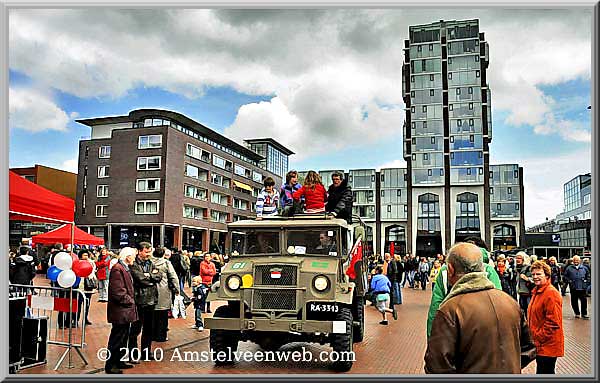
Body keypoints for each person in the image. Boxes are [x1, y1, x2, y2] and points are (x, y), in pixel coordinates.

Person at [424, 243, 534, 374]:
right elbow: (529, 347)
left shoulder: (450, 309)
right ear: (482, 267)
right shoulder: (510, 303)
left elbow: (437, 366)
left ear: (450, 269)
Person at [426, 240, 501, 338]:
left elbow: (436, 307)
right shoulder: (489, 272)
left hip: (455, 332)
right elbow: (498, 301)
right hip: (487, 335)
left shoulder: (444, 272)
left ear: (451, 268)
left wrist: (432, 338)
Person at [105, 247, 138, 374]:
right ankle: (111, 364)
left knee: (123, 337)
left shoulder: (123, 268)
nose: (134, 258)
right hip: (121, 310)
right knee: (117, 338)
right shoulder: (118, 269)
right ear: (127, 256)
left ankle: (118, 361)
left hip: (125, 310)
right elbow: (118, 292)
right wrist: (130, 300)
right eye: (133, 256)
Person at [528, 260, 564, 374]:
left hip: (547, 345)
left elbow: (553, 323)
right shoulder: (537, 292)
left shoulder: (550, 294)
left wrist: (538, 338)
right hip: (542, 344)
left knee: (545, 372)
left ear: (547, 275)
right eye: (533, 274)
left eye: (539, 274)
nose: (535, 277)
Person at [128, 242, 162, 360]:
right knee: (135, 329)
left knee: (149, 329)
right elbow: (140, 279)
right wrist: (150, 277)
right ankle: (133, 354)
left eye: (149, 251)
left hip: (152, 299)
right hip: (139, 300)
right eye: (146, 251)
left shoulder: (151, 263)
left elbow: (159, 276)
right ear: (139, 251)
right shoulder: (134, 264)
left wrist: (149, 277)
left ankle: (146, 352)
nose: (148, 254)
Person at [151, 247, 179, 343]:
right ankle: (161, 336)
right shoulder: (166, 263)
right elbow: (173, 276)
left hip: (151, 290)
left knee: (152, 314)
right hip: (164, 291)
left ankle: (152, 335)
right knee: (162, 315)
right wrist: (177, 289)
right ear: (163, 254)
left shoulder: (149, 262)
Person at [79, 249, 97, 326]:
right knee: (79, 303)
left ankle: (85, 318)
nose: (86, 257)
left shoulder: (91, 263)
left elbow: (93, 272)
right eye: (84, 255)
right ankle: (76, 319)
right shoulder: (77, 263)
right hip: (80, 286)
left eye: (87, 255)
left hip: (88, 286)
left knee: (87, 303)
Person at [514, 252, 534, 316]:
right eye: (516, 258)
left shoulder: (529, 268)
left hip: (528, 293)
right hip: (521, 292)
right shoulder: (517, 268)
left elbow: (535, 278)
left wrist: (527, 279)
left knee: (529, 310)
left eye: (519, 258)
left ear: (523, 259)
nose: (517, 260)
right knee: (522, 310)